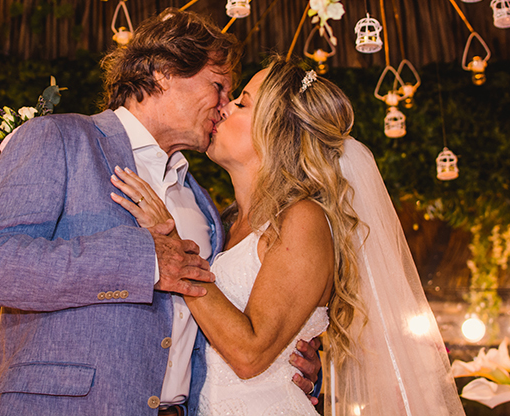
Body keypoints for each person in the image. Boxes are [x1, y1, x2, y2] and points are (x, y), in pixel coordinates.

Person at [0, 9, 320, 416]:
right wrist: (146, 261)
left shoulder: (201, 202)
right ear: (164, 71)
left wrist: (290, 366)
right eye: (218, 87)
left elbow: (215, 321)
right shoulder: (60, 139)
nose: (223, 107)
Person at [111, 57, 465, 416]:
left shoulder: (303, 218)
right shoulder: (220, 223)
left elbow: (250, 354)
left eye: (242, 102)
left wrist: (172, 246)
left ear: (277, 130)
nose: (223, 106)